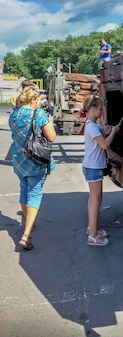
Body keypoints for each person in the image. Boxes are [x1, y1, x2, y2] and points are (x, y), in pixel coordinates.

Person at [9, 87, 57, 250]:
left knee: (24, 189)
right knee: (34, 195)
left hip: (19, 160)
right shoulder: (40, 115)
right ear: (34, 100)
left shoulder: (13, 115)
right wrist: (50, 123)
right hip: (36, 160)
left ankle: (30, 222)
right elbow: (51, 137)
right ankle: (26, 235)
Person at [82, 96, 120, 246]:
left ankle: (92, 228)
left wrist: (105, 131)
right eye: (99, 109)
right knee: (96, 200)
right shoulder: (91, 126)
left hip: (90, 166)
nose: (101, 111)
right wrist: (114, 132)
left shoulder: (91, 124)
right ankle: (92, 236)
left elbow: (98, 138)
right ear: (92, 109)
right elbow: (104, 145)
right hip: (94, 167)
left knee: (93, 199)